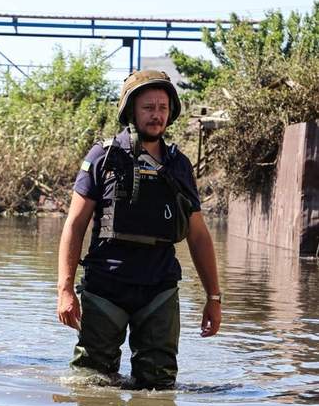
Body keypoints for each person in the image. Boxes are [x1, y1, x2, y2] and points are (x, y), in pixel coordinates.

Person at [56, 70, 221, 389]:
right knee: (91, 383)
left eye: (162, 107)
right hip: (106, 288)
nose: (156, 114)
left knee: (159, 387)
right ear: (131, 110)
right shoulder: (102, 157)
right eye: (148, 107)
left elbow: (198, 235)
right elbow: (74, 226)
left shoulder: (179, 165)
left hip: (159, 289)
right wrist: (64, 290)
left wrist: (213, 297)